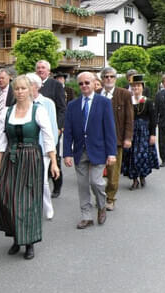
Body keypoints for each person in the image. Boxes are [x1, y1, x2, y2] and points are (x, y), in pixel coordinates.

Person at [0, 75, 59, 259]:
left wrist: (53, 162)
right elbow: (1, 140)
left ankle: (29, 242)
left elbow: (48, 137)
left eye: (23, 88)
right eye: (17, 89)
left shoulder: (38, 111)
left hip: (31, 158)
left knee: (28, 201)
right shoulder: (6, 112)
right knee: (8, 198)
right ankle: (16, 237)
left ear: (30, 89)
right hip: (11, 158)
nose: (20, 92)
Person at [63, 72, 117, 229]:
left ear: (94, 83)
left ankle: (101, 206)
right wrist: (67, 153)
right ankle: (86, 216)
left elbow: (110, 130)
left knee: (96, 182)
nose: (84, 86)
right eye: (81, 84)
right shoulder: (72, 105)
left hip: (98, 150)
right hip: (80, 151)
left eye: (87, 82)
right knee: (82, 185)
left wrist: (111, 153)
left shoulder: (104, 103)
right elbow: (68, 133)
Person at [100, 67, 134, 211]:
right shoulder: (96, 94)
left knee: (113, 172)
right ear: (102, 79)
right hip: (98, 140)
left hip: (116, 140)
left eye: (111, 76)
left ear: (115, 78)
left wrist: (128, 137)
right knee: (96, 174)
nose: (109, 79)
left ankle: (110, 198)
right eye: (106, 76)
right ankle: (99, 196)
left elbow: (129, 118)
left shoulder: (124, 94)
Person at [26, 72, 58, 220]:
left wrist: (52, 151)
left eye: (28, 85)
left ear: (36, 87)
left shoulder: (48, 103)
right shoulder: (21, 103)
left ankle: (47, 206)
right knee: (28, 180)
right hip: (26, 148)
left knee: (43, 180)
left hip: (43, 149)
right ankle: (31, 206)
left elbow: (52, 128)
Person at [121, 74, 159, 190]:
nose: (136, 88)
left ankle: (142, 175)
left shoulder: (148, 102)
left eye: (138, 86)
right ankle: (134, 180)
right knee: (131, 155)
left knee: (142, 155)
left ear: (142, 87)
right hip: (130, 132)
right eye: (133, 86)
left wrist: (152, 134)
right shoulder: (127, 101)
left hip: (143, 133)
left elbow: (153, 120)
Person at [36, 60, 66, 198]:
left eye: (43, 68)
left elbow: (62, 108)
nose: (40, 70)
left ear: (48, 71)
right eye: (38, 68)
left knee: (53, 157)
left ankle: (57, 185)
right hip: (36, 129)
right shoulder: (32, 84)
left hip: (52, 128)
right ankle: (40, 184)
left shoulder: (55, 85)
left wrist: (59, 128)